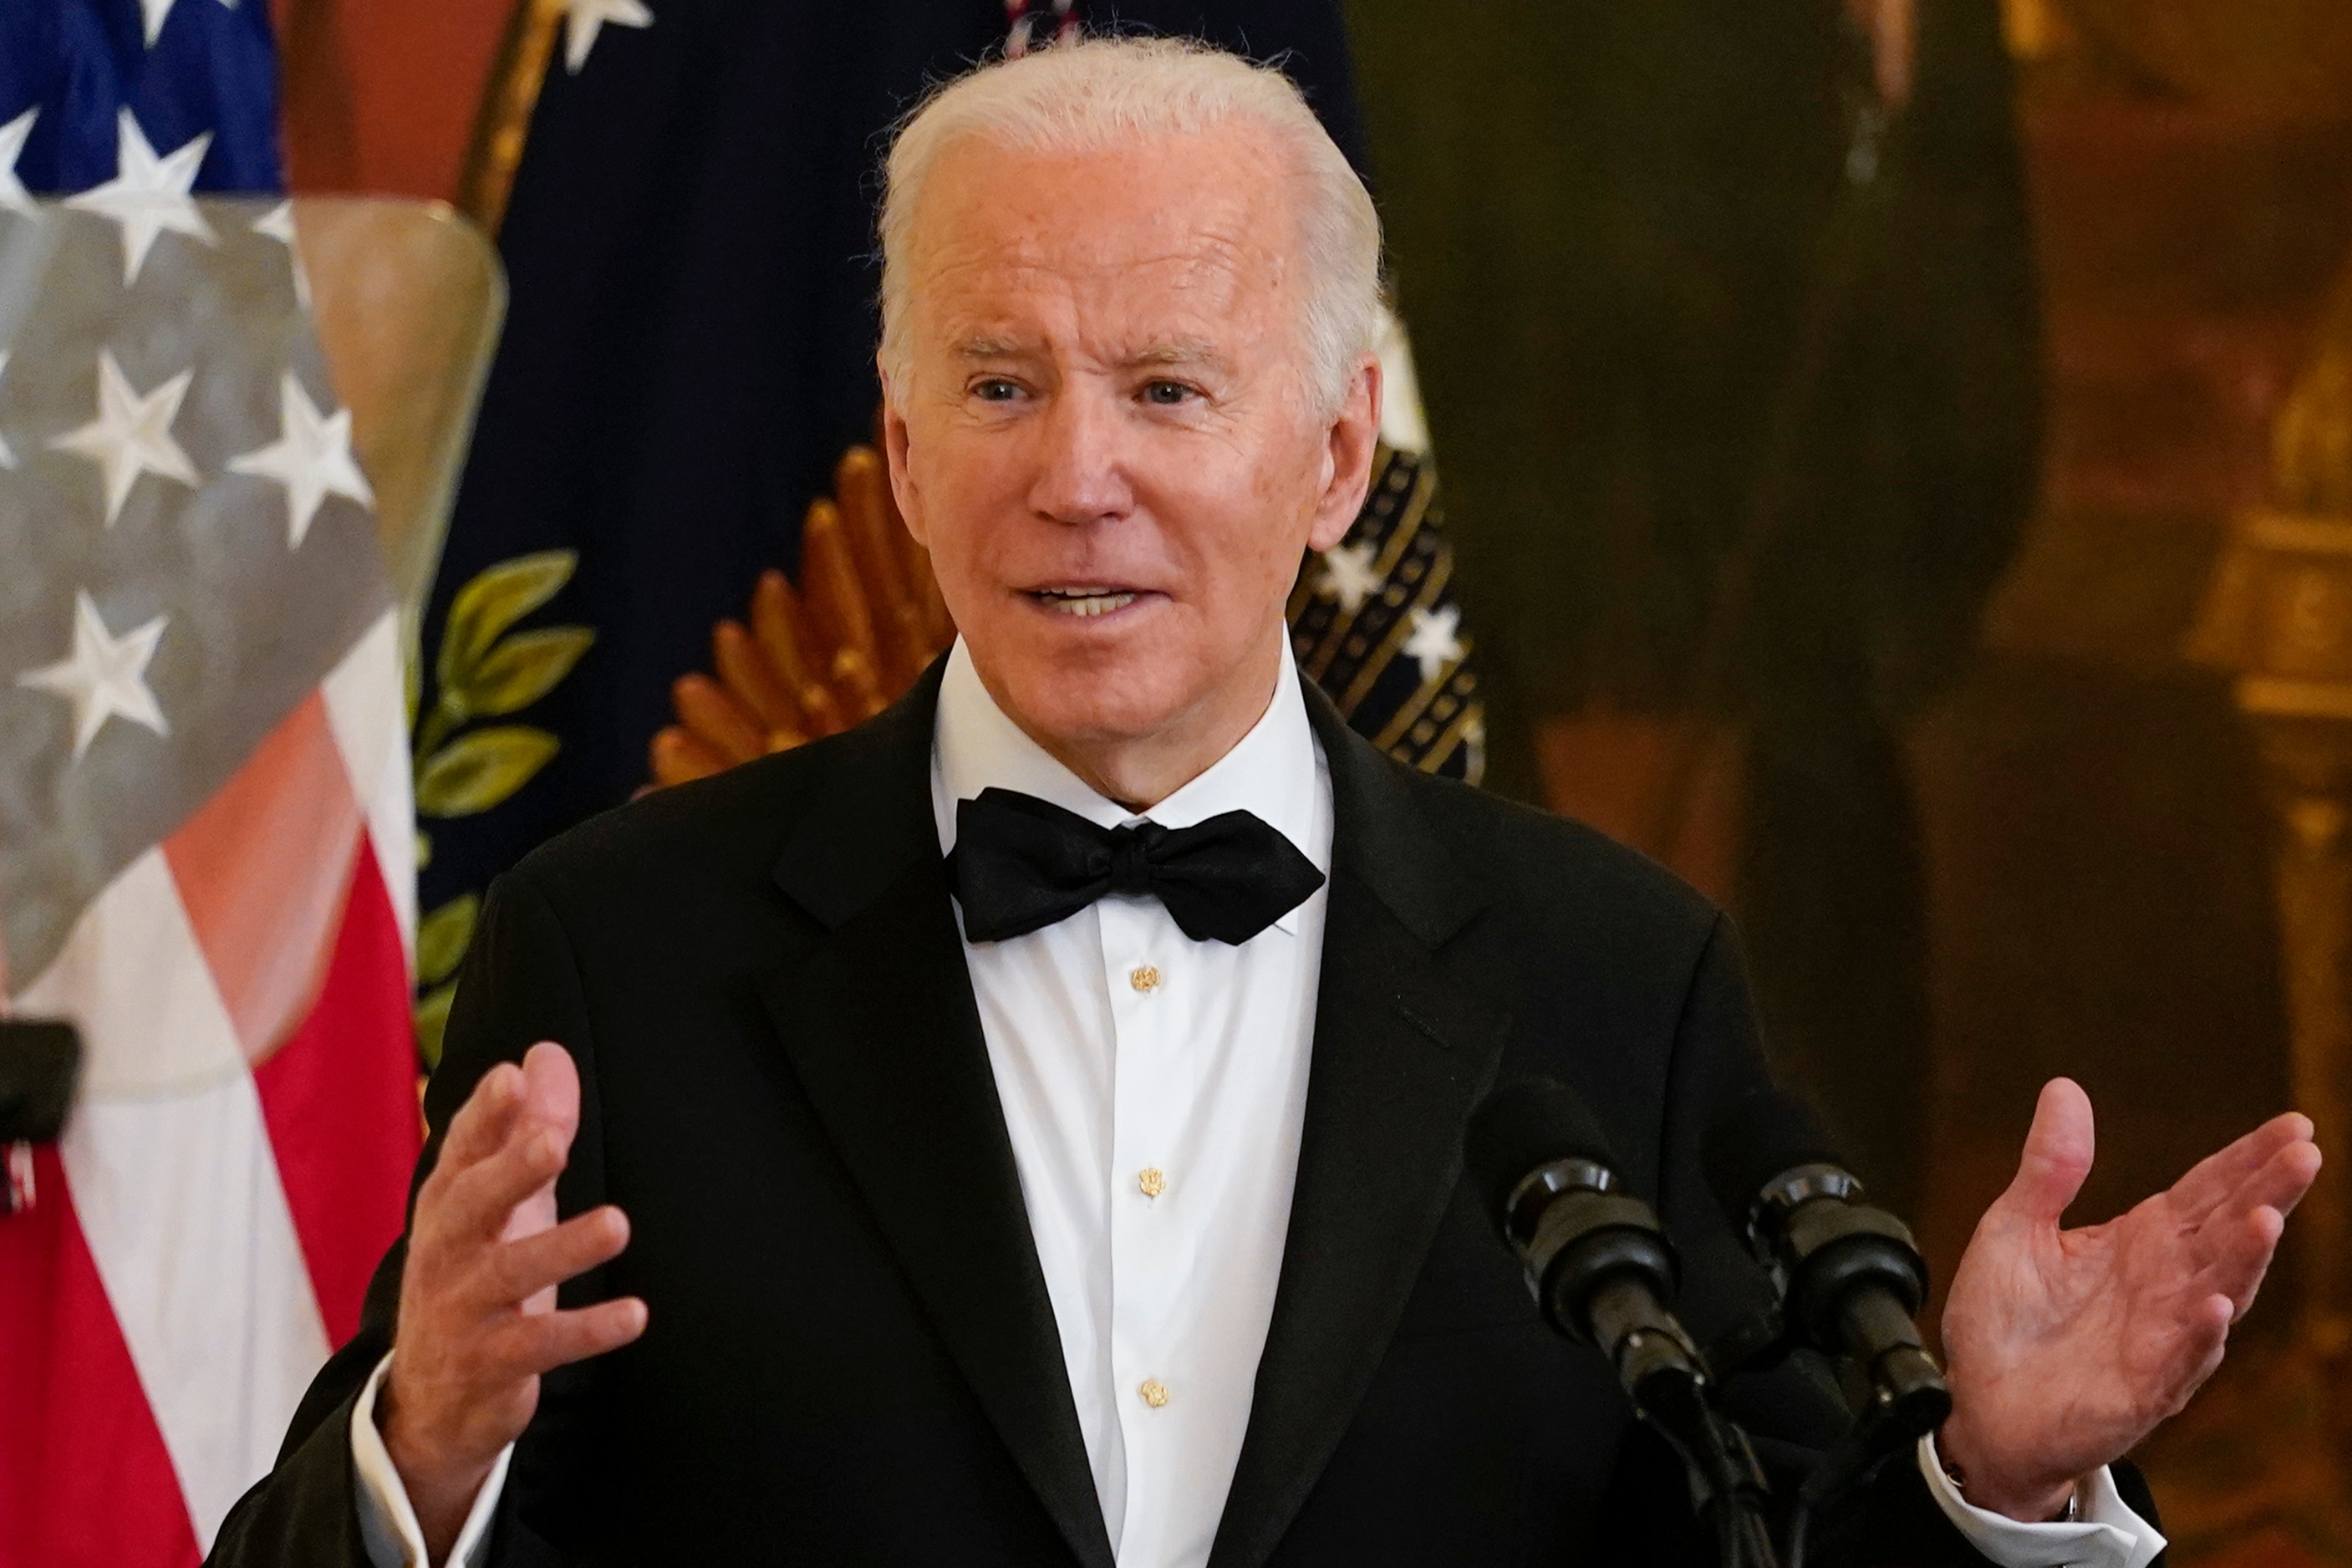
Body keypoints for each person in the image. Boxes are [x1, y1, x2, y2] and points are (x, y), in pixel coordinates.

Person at [207, 38, 2319, 1568]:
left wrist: (2003, 1482)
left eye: (1167, 387)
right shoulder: (623, 953)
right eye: (1004, 383)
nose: (1077, 475)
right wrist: (426, 1454)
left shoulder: (1614, 976)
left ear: (1332, 456)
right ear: (907, 445)